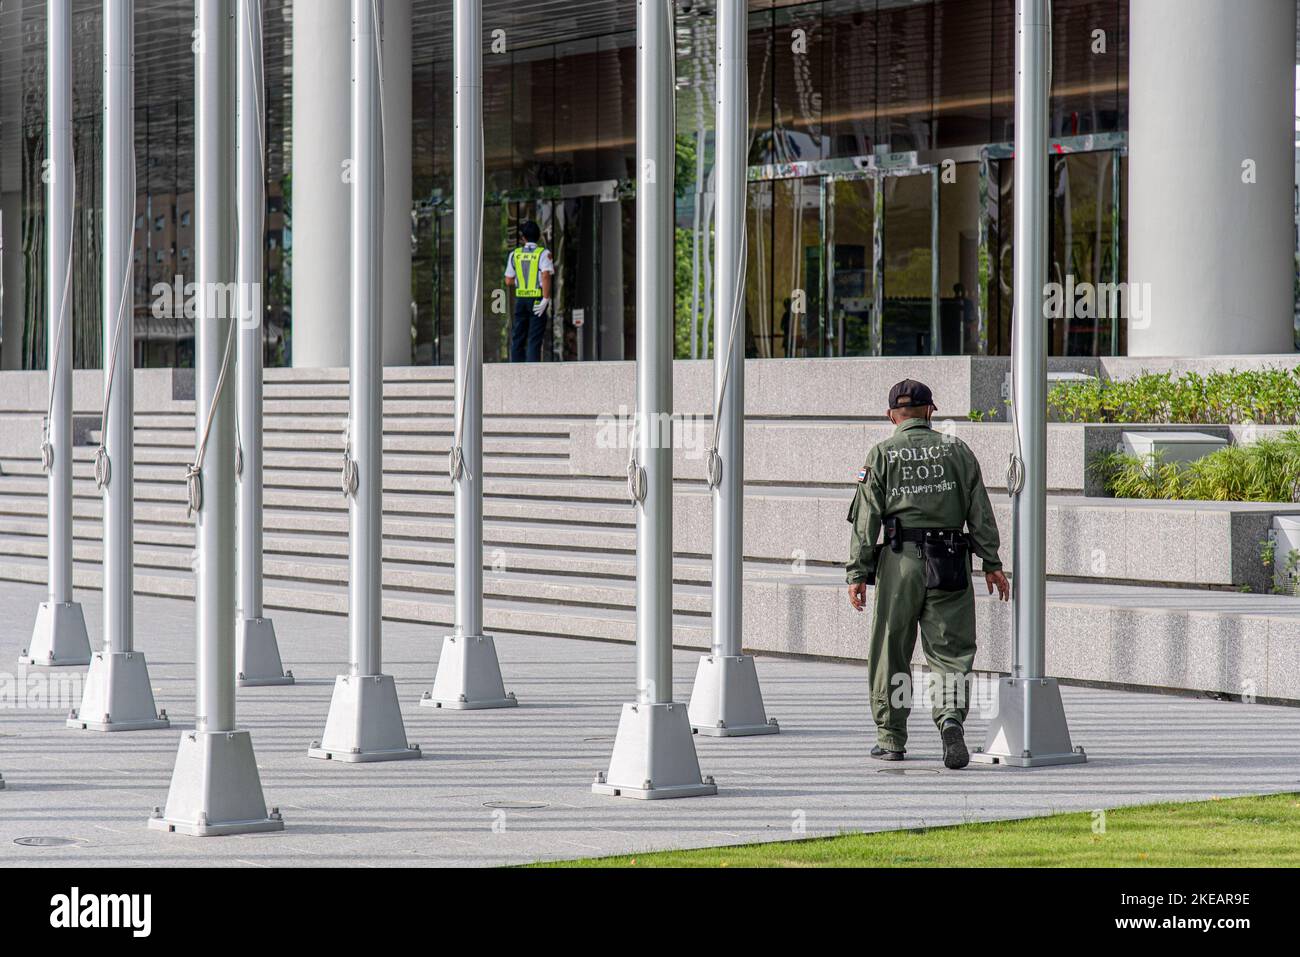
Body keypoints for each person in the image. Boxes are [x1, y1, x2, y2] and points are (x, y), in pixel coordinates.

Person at [845, 379, 1009, 769]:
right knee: (950, 651)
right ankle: (950, 721)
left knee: (892, 649)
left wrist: (857, 572)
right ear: (930, 411)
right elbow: (979, 513)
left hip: (899, 564)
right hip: (949, 560)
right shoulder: (957, 450)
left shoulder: (882, 453)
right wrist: (992, 563)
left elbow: (866, 520)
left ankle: (892, 739)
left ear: (891, 416)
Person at [505, 220, 554, 362]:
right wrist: (546, 298)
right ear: (538, 237)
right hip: (537, 299)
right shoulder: (543, 253)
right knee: (534, 338)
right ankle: (532, 374)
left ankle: (515, 370)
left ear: (523, 238)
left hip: (521, 300)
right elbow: (545, 275)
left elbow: (508, 280)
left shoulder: (515, 254)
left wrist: (521, 282)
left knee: (518, 337)